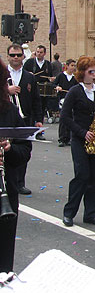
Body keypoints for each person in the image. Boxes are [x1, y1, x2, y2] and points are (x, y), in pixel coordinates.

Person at [60, 56, 95, 227]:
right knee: (82, 176)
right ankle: (69, 212)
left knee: (94, 177)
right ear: (82, 73)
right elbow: (65, 117)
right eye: (91, 72)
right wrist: (82, 132)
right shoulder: (75, 91)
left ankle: (91, 213)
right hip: (80, 140)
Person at [0, 60, 33, 273]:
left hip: (5, 193)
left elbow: (25, 151)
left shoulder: (10, 111)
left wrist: (9, 149)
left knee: (4, 260)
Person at [6, 43, 42, 195]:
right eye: (12, 55)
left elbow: (36, 99)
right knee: (6, 150)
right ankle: (6, 180)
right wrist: (6, 90)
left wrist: (39, 119)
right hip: (6, 118)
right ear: (8, 56)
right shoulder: (2, 75)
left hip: (24, 118)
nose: (15, 58)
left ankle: (20, 182)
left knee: (23, 150)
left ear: (23, 56)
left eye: (18, 55)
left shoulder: (29, 77)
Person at [53, 59, 78, 147]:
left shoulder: (75, 78)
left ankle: (69, 138)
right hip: (63, 99)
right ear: (67, 66)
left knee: (71, 119)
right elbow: (54, 84)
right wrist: (57, 87)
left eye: (74, 66)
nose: (73, 68)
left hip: (72, 100)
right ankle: (62, 138)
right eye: (72, 65)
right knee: (63, 119)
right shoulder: (61, 75)